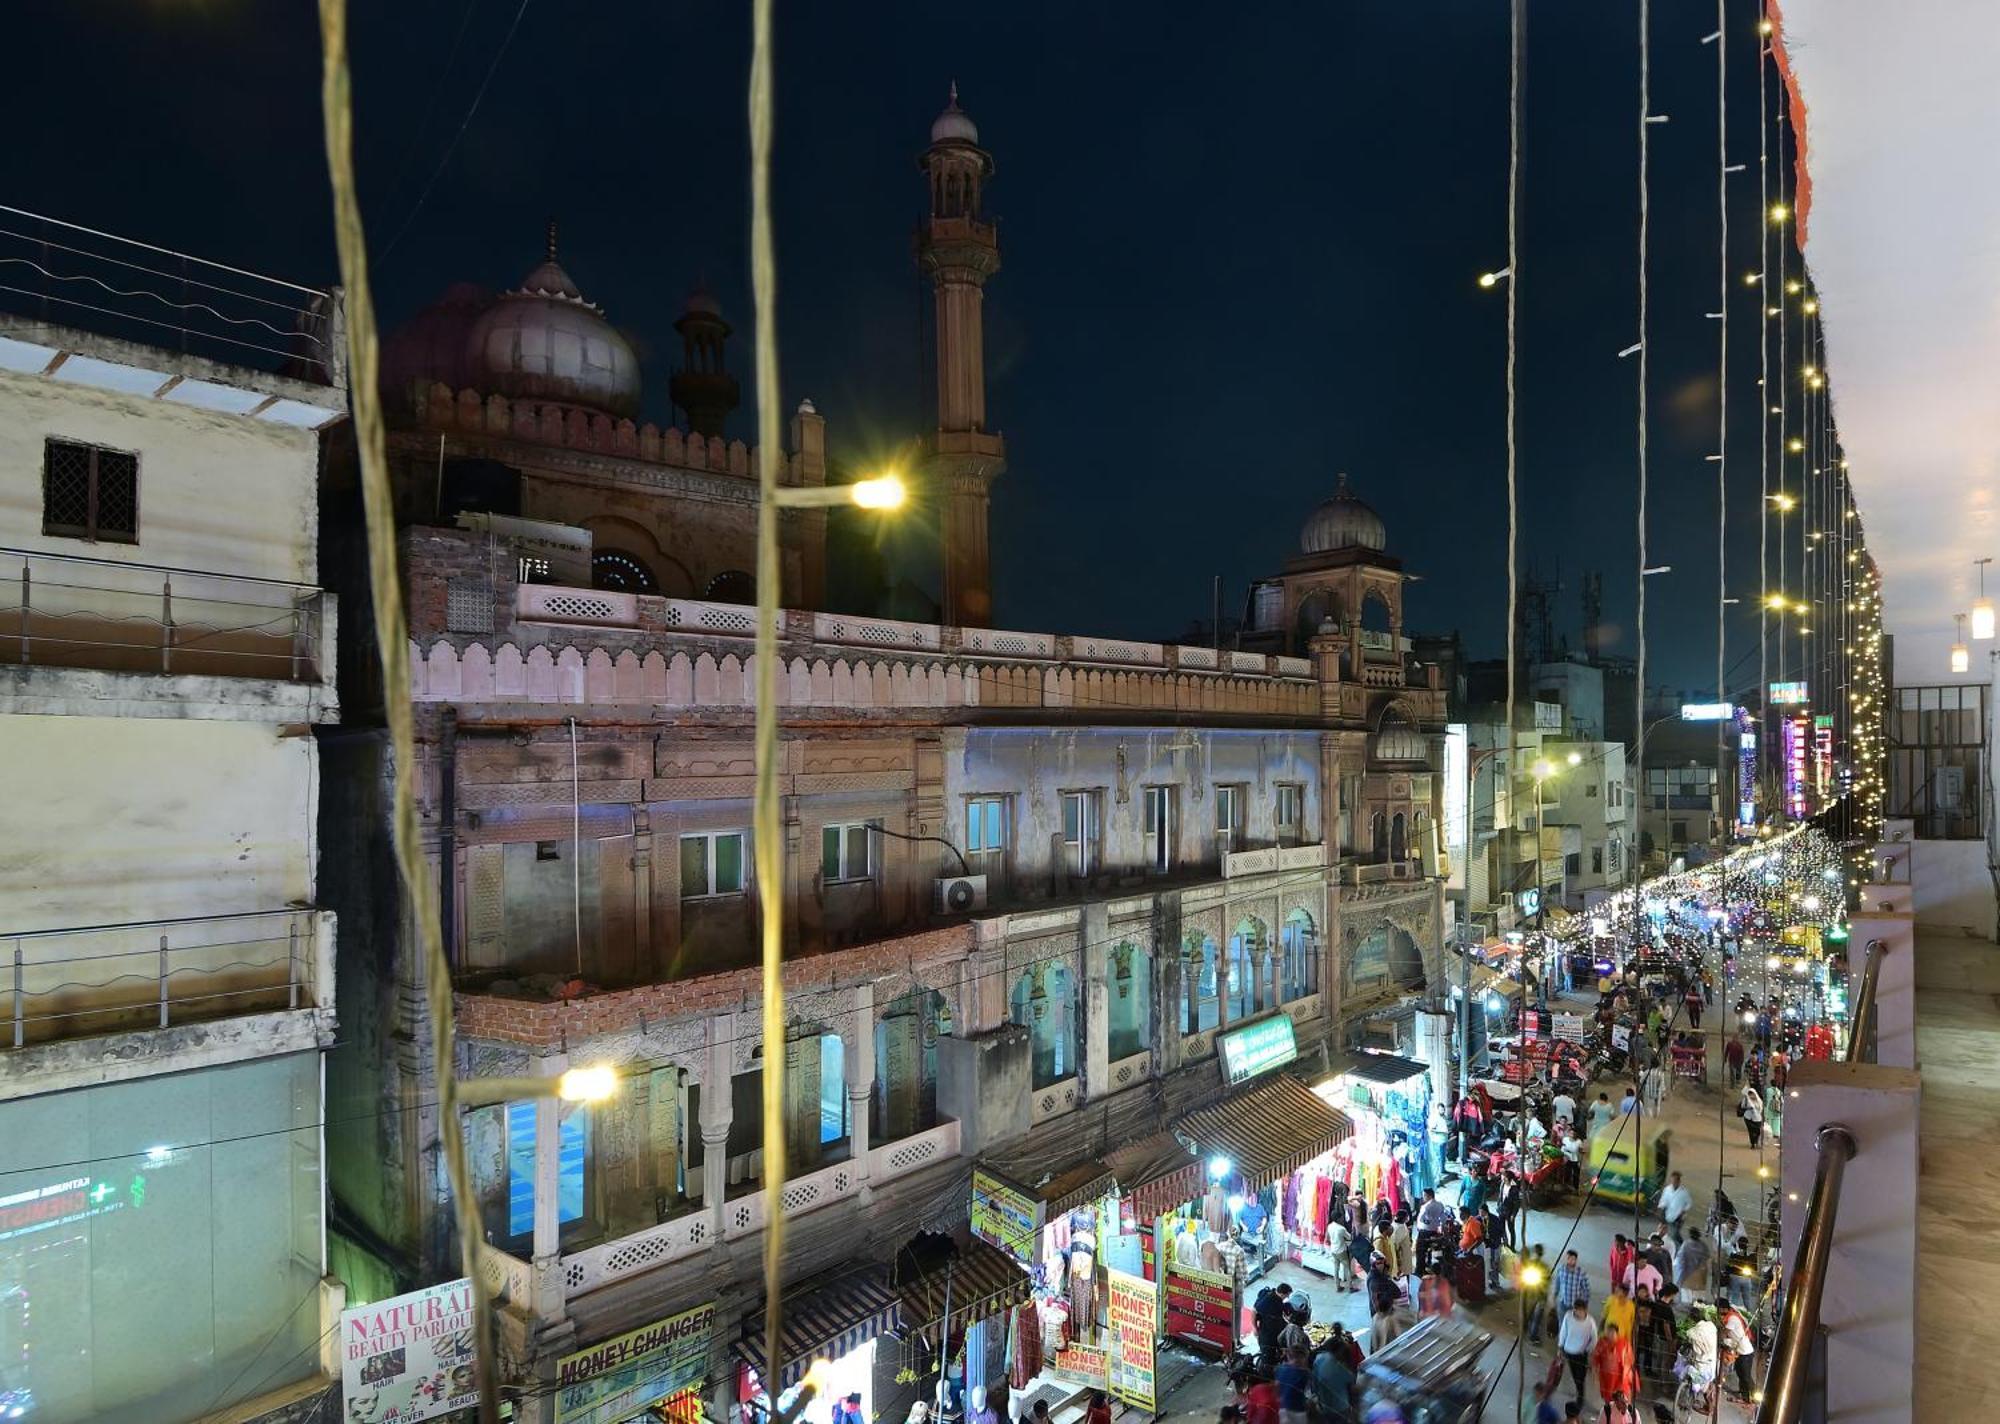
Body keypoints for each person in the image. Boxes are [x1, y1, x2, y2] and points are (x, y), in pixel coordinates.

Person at [1557, 1301, 1598, 1404]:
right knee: (1575, 1375)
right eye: (1575, 1310)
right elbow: (1563, 1332)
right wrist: (1560, 1347)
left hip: (1582, 1354)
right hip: (1569, 1351)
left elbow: (1594, 1338)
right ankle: (1579, 1394)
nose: (1577, 1312)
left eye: (1579, 1310)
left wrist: (1588, 1350)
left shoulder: (1590, 1322)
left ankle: (1580, 1396)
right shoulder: (1568, 1317)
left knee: (1581, 1377)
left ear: (1585, 1310)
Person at [1592, 1321, 1637, 1405]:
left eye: (1612, 1332)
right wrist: (1595, 1376)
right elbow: (1595, 1359)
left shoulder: (1624, 1344)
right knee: (1608, 1398)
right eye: (1608, 1332)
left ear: (1617, 1333)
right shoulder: (1602, 1343)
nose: (1610, 1334)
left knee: (1623, 1400)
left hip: (1620, 1379)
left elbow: (1630, 1361)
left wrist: (1628, 1377)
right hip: (1606, 1378)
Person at [1311, 1341, 1356, 1424]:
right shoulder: (1338, 1368)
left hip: (1325, 1406)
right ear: (1339, 1352)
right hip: (1340, 1408)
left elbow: (1314, 1383)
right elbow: (1352, 1383)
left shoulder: (1319, 1358)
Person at [1720, 1300, 1758, 1398]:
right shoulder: (1729, 1316)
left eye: (1719, 1309)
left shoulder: (1732, 1318)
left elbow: (1724, 1333)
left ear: (1724, 1309)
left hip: (1746, 1352)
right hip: (1740, 1351)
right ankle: (1743, 1393)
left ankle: (1753, 1396)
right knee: (1740, 1373)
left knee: (1746, 1376)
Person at [1252, 1281, 1294, 1363]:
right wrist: (1254, 1328)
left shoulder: (1277, 1298)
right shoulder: (1268, 1299)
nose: (1287, 1297)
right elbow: (1254, 1311)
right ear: (1282, 1293)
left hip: (1274, 1331)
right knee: (1268, 1356)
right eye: (1287, 1295)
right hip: (1267, 1334)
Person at [1367, 1255, 1403, 1348]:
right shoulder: (1376, 1280)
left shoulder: (1377, 1276)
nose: (1381, 1265)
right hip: (1381, 1312)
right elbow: (1396, 1293)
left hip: (1380, 1312)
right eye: (1378, 1263)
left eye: (1382, 1263)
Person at [1521, 1243, 1550, 1342]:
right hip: (1533, 1293)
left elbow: (1547, 1280)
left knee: (1535, 1315)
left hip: (1535, 1294)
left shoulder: (1539, 1265)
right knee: (1533, 1315)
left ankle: (1532, 1333)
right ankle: (1530, 1333)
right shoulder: (1533, 1264)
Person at [1273, 1349, 1311, 1424]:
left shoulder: (1280, 1368)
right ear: (1301, 1358)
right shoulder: (1305, 1373)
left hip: (1282, 1408)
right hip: (1298, 1410)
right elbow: (1309, 1392)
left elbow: (1276, 1387)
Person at [1552, 1248, 1591, 1316]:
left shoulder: (1581, 1273)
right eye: (1568, 1258)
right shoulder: (1561, 1270)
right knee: (1562, 1324)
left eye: (1572, 1259)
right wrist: (1554, 1297)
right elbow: (1557, 1285)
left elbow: (1586, 1290)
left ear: (1575, 1260)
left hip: (1575, 1306)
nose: (1570, 1260)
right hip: (1563, 1304)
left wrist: (1584, 1304)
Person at [1657, 1171, 1692, 1242]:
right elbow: (1663, 1200)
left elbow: (1689, 1203)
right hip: (1667, 1214)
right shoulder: (1667, 1189)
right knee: (1664, 1232)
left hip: (1678, 1217)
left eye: (1675, 1180)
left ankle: (1682, 1245)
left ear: (1679, 1181)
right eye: (1672, 1180)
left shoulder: (1684, 1192)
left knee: (1675, 1233)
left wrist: (1683, 1211)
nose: (1673, 1182)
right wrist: (1660, 1208)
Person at [1675, 1230, 1712, 1296]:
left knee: (1687, 1300)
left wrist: (1679, 1279)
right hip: (1699, 1280)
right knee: (1698, 1300)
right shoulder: (1703, 1246)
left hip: (1687, 1278)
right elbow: (1707, 1262)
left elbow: (1681, 1262)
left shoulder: (1685, 1245)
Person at [1601, 1280, 1634, 1346]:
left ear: (1625, 1293)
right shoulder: (1611, 1300)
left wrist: (1628, 1342)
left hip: (1621, 1339)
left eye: (1618, 1290)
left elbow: (1630, 1324)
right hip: (1608, 1335)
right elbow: (1604, 1316)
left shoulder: (1631, 1306)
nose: (1615, 1290)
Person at [1327, 1216, 1355, 1291]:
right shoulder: (1341, 1229)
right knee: (1347, 1269)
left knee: (1336, 1269)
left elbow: (1328, 1238)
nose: (1342, 1219)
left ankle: (1338, 1286)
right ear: (1338, 1218)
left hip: (1333, 1250)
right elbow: (1349, 1237)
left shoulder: (1329, 1226)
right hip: (1341, 1251)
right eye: (1341, 1217)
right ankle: (1350, 1287)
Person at [1739, 1079, 1766, 1148]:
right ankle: (1753, 1143)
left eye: (1752, 1094)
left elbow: (1761, 1109)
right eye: (1749, 1094)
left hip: (1757, 1119)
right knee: (1751, 1131)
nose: (1751, 1096)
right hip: (1748, 1118)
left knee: (1757, 1131)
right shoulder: (1747, 1099)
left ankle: (1756, 1141)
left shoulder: (1759, 1101)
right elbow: (1743, 1105)